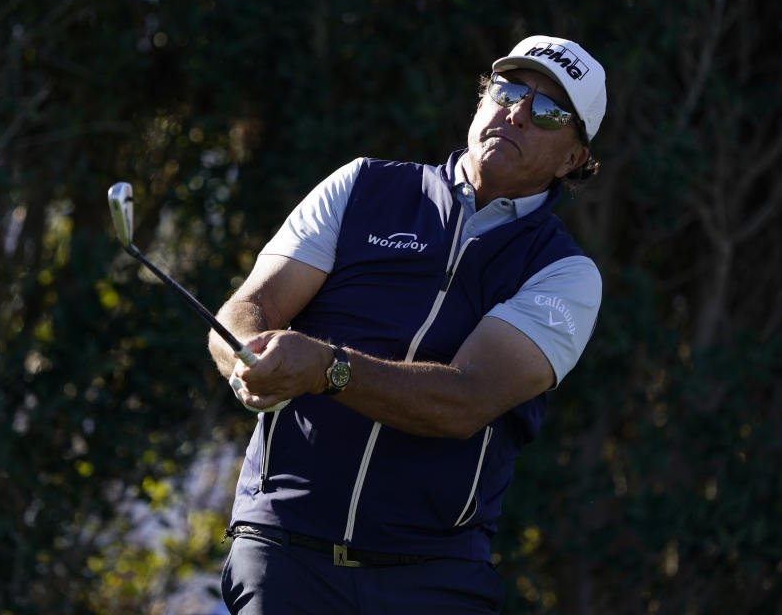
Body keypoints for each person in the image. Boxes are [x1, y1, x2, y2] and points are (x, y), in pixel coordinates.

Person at [208, 34, 606, 614]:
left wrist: (327, 369)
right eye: (507, 89)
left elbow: (465, 401)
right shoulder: (362, 187)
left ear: (574, 157)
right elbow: (248, 310)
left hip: (434, 577)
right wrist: (250, 356)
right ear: (481, 102)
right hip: (284, 551)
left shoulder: (563, 273)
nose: (517, 111)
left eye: (547, 111)